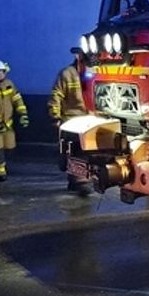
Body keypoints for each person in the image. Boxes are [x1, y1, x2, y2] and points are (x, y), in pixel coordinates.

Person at [48, 48, 91, 194]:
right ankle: (80, 182)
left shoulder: (93, 72)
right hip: (72, 120)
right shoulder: (67, 73)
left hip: (90, 119)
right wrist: (55, 117)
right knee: (76, 151)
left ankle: (75, 181)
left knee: (86, 151)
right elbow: (56, 95)